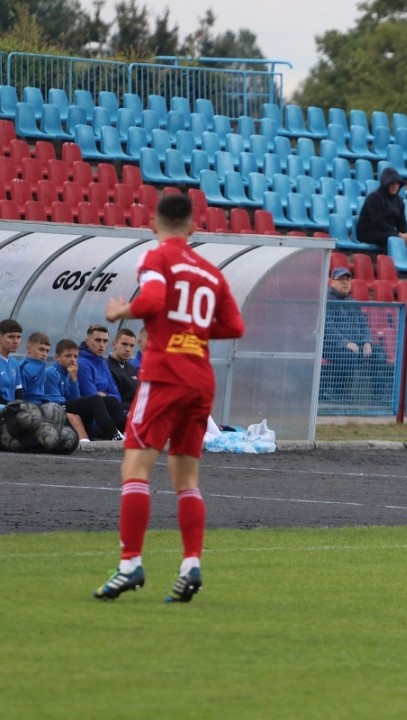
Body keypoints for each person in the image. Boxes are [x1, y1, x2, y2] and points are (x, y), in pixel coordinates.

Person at [94, 194, 245, 602]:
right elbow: (234, 325)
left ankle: (129, 564)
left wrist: (120, 311)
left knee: (135, 469)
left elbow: (156, 300)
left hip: (164, 375)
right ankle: (190, 563)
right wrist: (192, 332)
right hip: (200, 380)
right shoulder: (211, 272)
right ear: (193, 228)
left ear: (153, 225)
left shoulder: (158, 257)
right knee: (186, 479)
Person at [321, 266, 375, 402]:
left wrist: (367, 342)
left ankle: (378, 395)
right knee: (348, 355)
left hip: (354, 345)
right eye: (341, 279)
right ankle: (334, 392)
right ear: (332, 282)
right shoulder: (326, 300)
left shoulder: (352, 302)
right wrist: (345, 343)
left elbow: (363, 325)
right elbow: (328, 327)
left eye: (348, 279)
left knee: (378, 355)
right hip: (330, 346)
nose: (345, 283)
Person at [76, 324, 127, 440]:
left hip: (108, 413)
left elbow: (116, 396)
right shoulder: (82, 364)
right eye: (98, 340)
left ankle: (129, 434)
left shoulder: (102, 363)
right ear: (87, 341)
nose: (102, 345)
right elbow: (92, 397)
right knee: (104, 402)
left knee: (113, 402)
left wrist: (106, 395)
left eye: (105, 341)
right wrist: (107, 396)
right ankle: (122, 435)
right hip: (93, 419)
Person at [355, 165, 407, 253]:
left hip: (388, 231)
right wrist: (398, 234)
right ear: (386, 184)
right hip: (370, 231)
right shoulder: (374, 197)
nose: (395, 186)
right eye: (392, 183)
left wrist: (406, 234)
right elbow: (378, 222)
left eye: (397, 184)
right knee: (394, 238)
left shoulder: (399, 201)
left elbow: (402, 222)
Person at [107, 327, 140, 411]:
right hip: (121, 413)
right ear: (114, 344)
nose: (128, 349)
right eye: (124, 344)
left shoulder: (132, 369)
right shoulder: (106, 368)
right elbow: (113, 401)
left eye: (132, 346)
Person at [0, 318, 23, 405]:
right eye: (11, 337)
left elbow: (19, 392)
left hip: (10, 411)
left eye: (18, 337)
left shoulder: (15, 363)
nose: (16, 341)